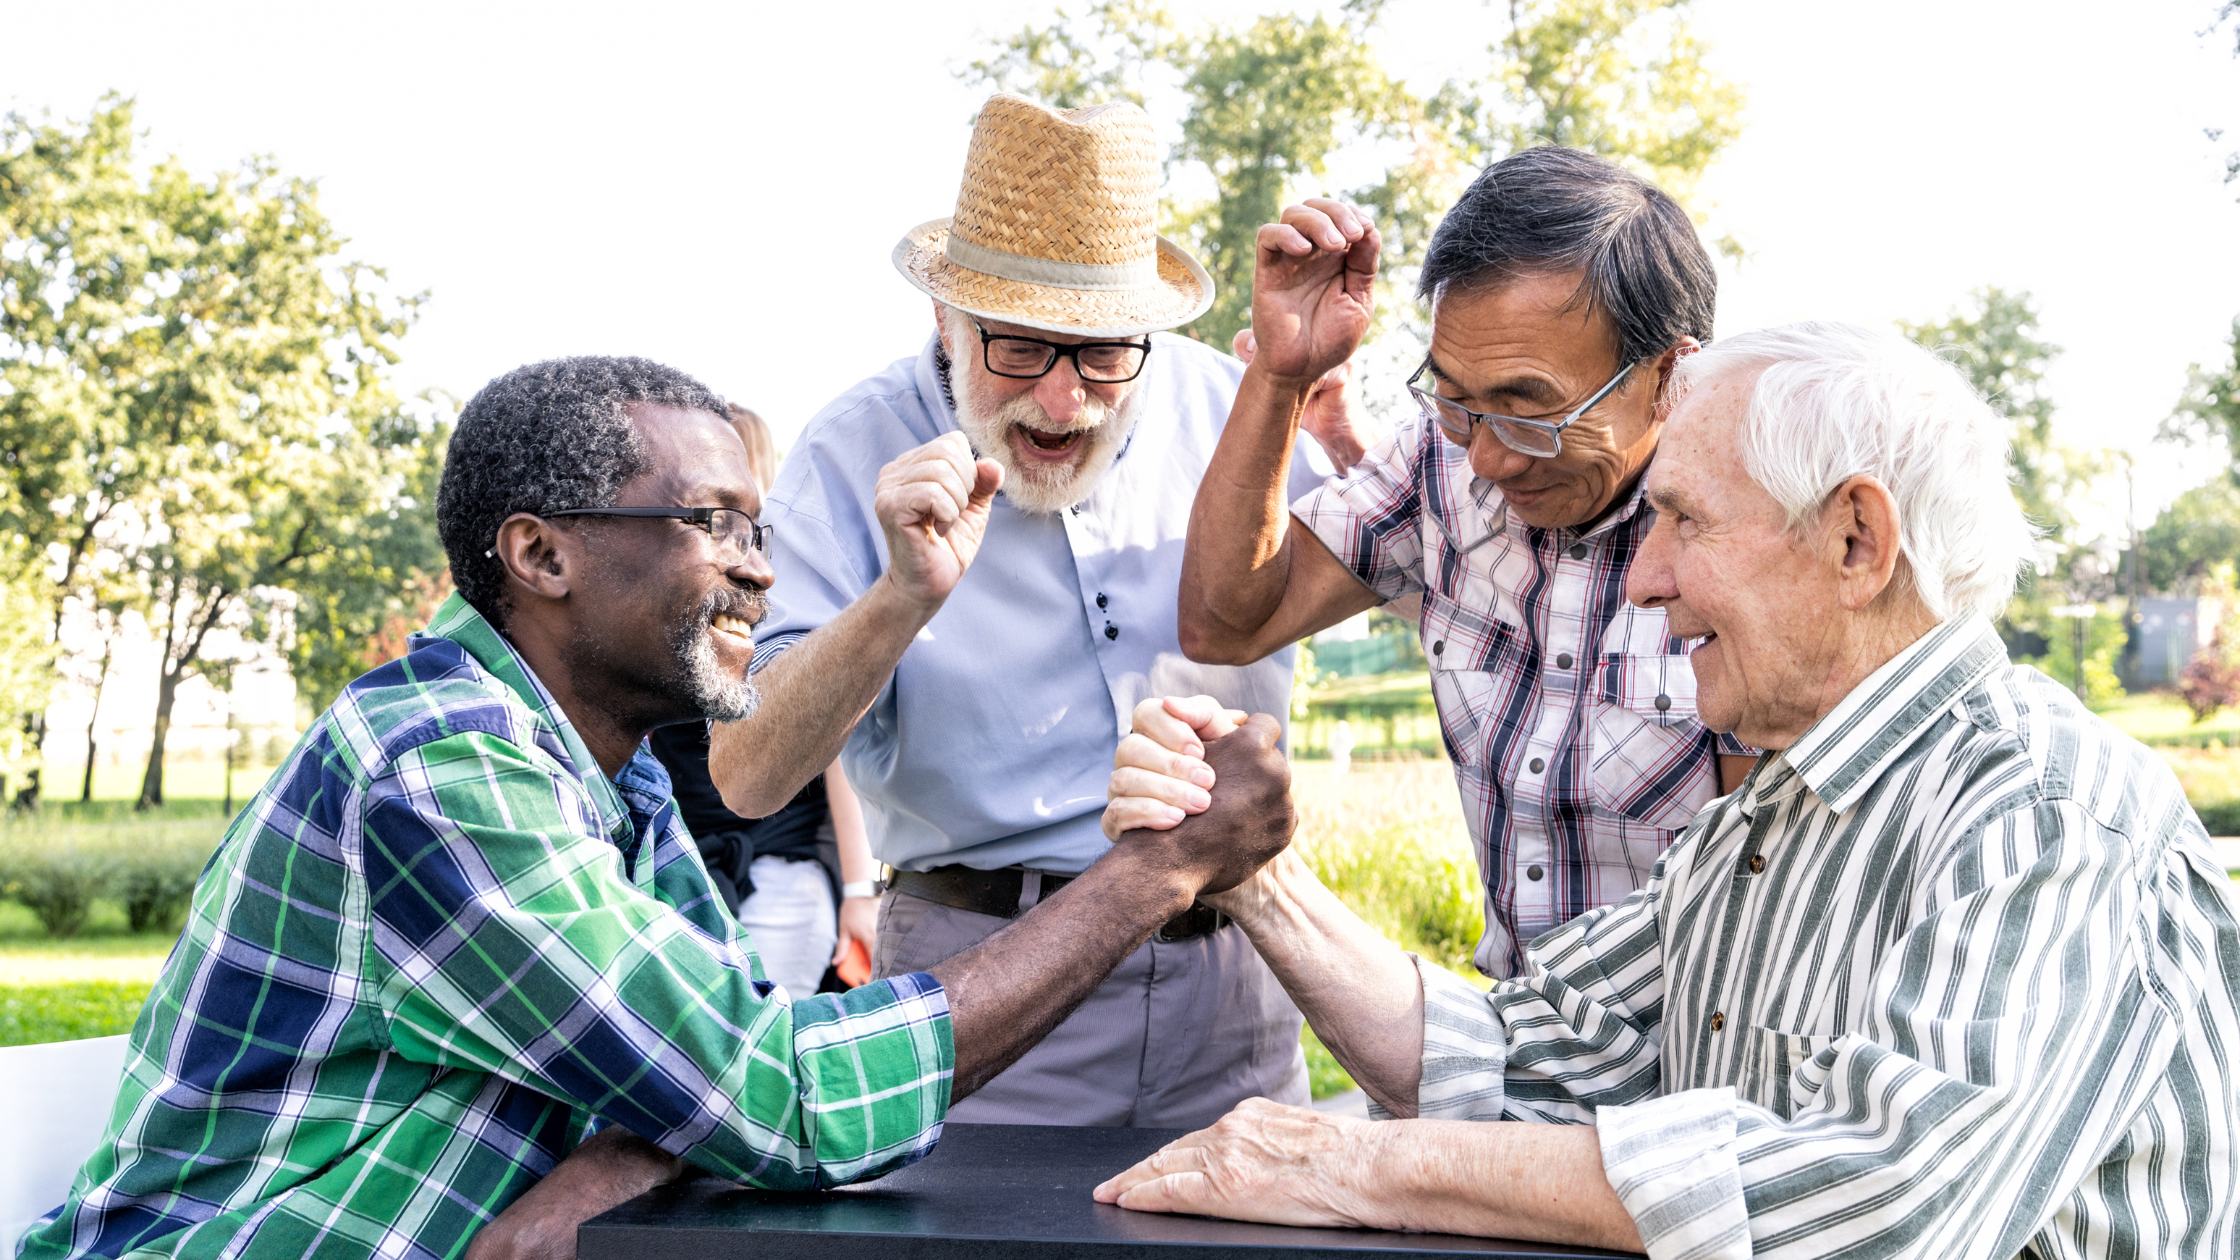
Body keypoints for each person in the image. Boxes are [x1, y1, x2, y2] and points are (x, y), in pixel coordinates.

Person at [16, 356, 1299, 1260]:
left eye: (759, 523)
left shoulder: (613, 778)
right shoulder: (439, 773)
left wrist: (632, 1150)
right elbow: (786, 1099)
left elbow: (729, 1050)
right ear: (541, 555)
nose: (758, 569)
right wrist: (1154, 874)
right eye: (713, 522)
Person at [1096, 324, 2240, 1257]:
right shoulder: (1755, 827)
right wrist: (1246, 866)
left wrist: (1359, 1165)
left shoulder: (2039, 815)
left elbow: (1884, 1200)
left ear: (1853, 541)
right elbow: (1516, 1064)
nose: (1641, 580)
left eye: (1682, 520)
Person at [706, 94, 1362, 1128]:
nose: (1062, 402)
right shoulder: (848, 449)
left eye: (1103, 354)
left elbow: (1423, 578)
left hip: (1232, 986)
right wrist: (897, 599)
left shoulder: (1237, 406)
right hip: (986, 988)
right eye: (1017, 347)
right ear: (943, 317)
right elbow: (746, 778)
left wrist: (1357, 449)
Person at [1155, 148, 1754, 979]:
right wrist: (1282, 375)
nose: (1489, 462)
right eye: (1456, 400)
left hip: (1691, 1064)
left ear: (1670, 376)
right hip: (1515, 1038)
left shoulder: (1754, 535)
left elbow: (1768, 910)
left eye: (1530, 412)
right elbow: (1225, 623)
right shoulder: (1437, 465)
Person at [648, 402, 880, 996]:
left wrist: (860, 891)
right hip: (681, 870)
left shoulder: (781, 596)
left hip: (776, 872)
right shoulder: (676, 599)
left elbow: (837, 757)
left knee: (763, 1062)